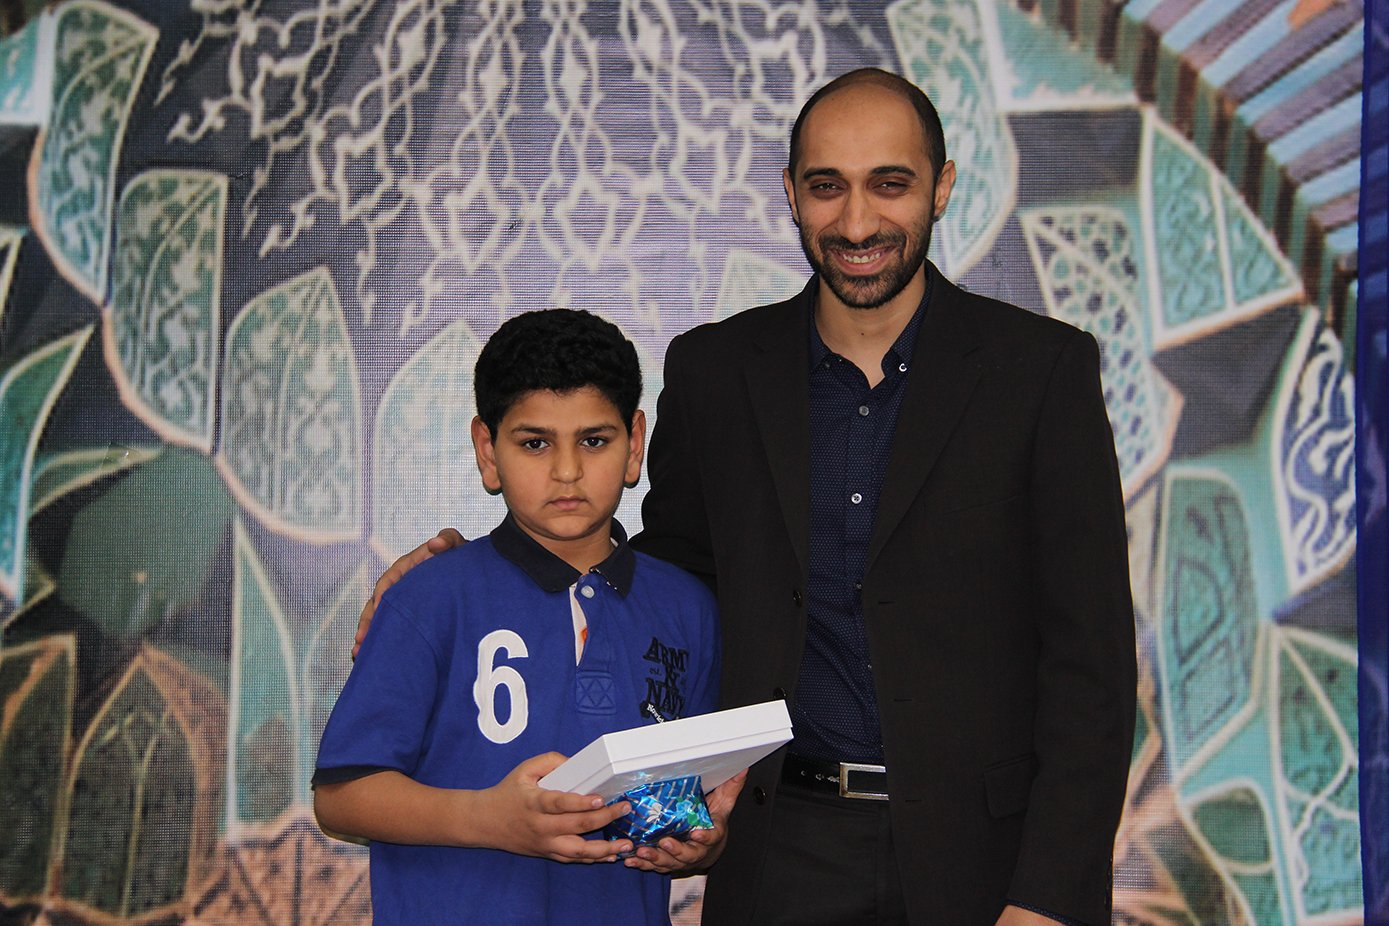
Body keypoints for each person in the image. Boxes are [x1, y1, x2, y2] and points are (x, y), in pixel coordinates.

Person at [358, 68, 1136, 925]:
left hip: (986, 863)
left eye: (889, 184)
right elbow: (662, 591)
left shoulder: (1041, 371)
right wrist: (468, 574)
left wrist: (1046, 899)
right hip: (776, 853)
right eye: (826, 187)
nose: (857, 222)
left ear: (941, 186)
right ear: (791, 194)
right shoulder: (715, 372)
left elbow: (1091, 668)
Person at [315, 309, 730, 925]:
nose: (567, 471)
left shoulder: (687, 609)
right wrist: (489, 818)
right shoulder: (429, 597)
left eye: (594, 440)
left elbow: (687, 802)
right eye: (535, 443)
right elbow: (340, 797)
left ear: (635, 444)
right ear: (488, 451)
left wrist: (698, 845)